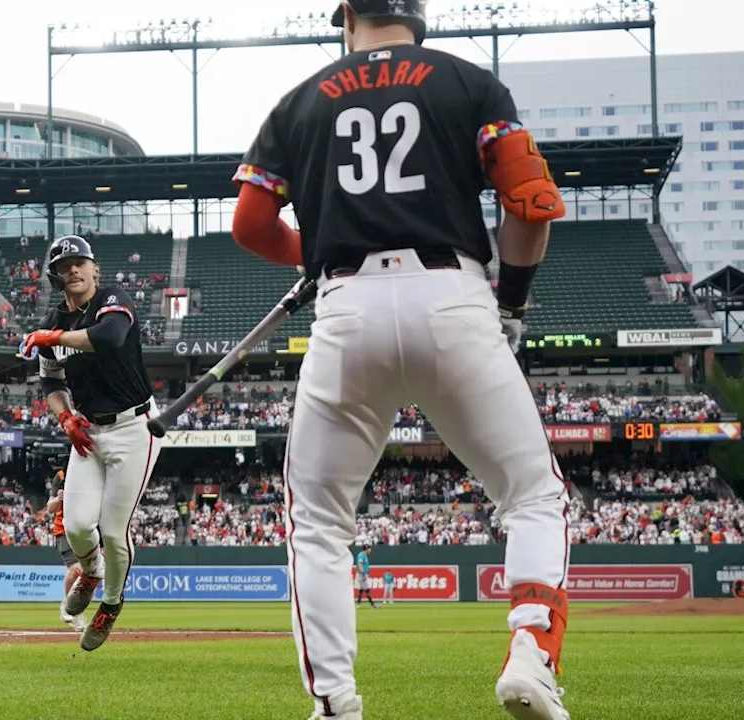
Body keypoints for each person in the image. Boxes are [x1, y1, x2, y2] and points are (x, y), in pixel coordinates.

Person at [230, 2, 571, 718]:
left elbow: (251, 224)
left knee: (319, 522)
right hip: (453, 294)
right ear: (416, 17)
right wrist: (512, 302)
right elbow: (531, 204)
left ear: (347, 17)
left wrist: (316, 252)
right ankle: (531, 653)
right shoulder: (470, 82)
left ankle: (336, 707)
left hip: (345, 306)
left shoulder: (299, 100)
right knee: (532, 496)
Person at [18, 234, 163, 652]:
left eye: (80, 263)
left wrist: (53, 338)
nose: (74, 271)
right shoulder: (55, 318)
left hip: (135, 428)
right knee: (79, 527)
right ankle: (91, 571)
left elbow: (111, 336)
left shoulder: (112, 298)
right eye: (65, 267)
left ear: (94, 268)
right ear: (56, 277)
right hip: (88, 432)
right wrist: (63, 416)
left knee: (114, 532)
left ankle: (111, 606)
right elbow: (50, 380)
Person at [45, 464, 87, 632]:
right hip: (64, 531)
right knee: (78, 569)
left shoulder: (94, 475)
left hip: (86, 529)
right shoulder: (61, 476)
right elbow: (50, 507)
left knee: (92, 571)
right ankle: (71, 608)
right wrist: (58, 499)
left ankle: (71, 607)